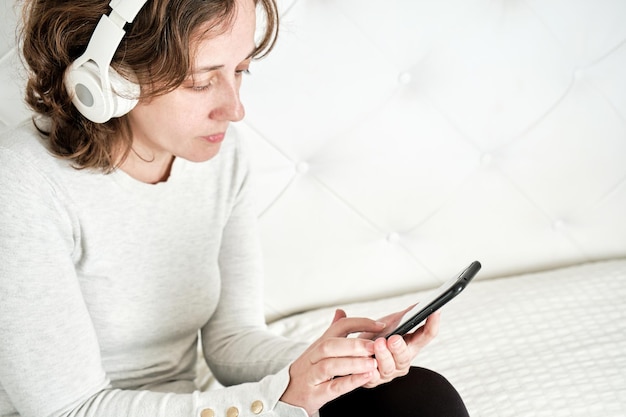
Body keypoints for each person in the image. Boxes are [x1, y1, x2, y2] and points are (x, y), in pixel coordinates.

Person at [0, 0, 470, 416]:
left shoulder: (221, 154)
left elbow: (230, 343)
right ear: (107, 79)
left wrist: (332, 363)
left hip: (195, 405)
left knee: (418, 398)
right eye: (200, 81)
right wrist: (276, 399)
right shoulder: (25, 183)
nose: (235, 108)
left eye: (240, 70)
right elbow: (67, 409)